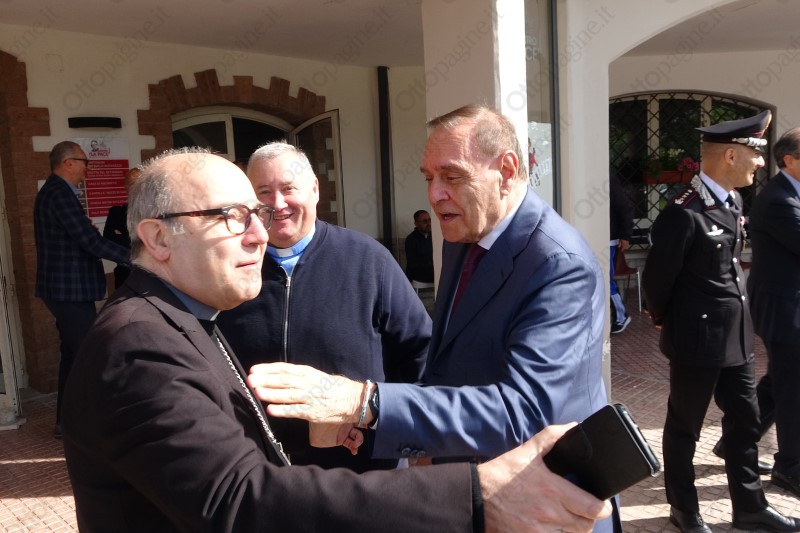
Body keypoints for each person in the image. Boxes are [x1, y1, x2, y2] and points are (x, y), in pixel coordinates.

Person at [61, 146, 612, 532]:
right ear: (158, 239)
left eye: (258, 212)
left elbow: (417, 354)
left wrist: (365, 415)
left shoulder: (189, 314)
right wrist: (476, 495)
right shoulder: (139, 345)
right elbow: (238, 500)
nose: (260, 231)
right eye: (233, 215)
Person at [249, 105, 618, 531]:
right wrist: (381, 428)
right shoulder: (465, 233)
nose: (435, 194)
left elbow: (523, 411)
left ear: (506, 170)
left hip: (547, 505)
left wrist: (363, 403)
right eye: (429, 177)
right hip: (477, 489)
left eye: (452, 176)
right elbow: (447, 366)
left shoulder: (559, 264)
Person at [217, 142, 429, 472]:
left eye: (288, 188)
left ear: (315, 189)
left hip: (362, 468)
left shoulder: (367, 260)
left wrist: (388, 423)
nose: (278, 203)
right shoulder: (229, 270)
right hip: (259, 470)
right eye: (264, 192)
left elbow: (421, 352)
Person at [643, 110, 800, 533]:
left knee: (745, 422)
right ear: (731, 155)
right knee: (685, 427)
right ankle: (684, 509)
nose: (761, 162)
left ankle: (750, 507)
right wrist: (666, 320)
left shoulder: (733, 201)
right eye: (756, 153)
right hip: (697, 338)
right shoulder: (684, 210)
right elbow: (657, 281)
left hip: (737, 337)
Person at [34, 140, 130, 438]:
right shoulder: (59, 193)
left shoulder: (56, 192)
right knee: (91, 356)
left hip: (66, 290)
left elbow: (81, 236)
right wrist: (135, 259)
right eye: (84, 162)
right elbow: (89, 241)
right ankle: (97, 425)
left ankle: (65, 423)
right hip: (69, 290)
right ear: (68, 163)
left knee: (74, 356)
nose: (87, 169)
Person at [745, 127, 800, 498]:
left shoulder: (791, 193)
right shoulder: (780, 199)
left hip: (787, 303)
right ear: (790, 160)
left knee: (781, 380)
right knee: (793, 388)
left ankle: (736, 441)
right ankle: (790, 467)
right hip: (784, 307)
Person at [103, 167, 140, 289]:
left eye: (140, 183)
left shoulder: (157, 212)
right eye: (132, 184)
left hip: (153, 277)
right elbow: (108, 240)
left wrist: (123, 237)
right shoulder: (116, 212)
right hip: (125, 276)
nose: (136, 188)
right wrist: (141, 241)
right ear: (126, 187)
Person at [609, 172, 634, 334]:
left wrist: (625, 235)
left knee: (605, 280)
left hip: (608, 238)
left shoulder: (608, 178)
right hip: (599, 236)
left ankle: (621, 315)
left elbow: (625, 208)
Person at [404, 209, 434, 284]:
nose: (428, 223)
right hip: (419, 274)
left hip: (432, 271)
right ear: (416, 224)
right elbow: (413, 263)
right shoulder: (411, 239)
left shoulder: (433, 236)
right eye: (424, 221)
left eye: (429, 220)